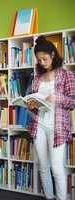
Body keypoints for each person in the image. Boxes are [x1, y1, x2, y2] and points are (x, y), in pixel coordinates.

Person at [27, 36, 75, 200]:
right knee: (43, 166)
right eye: (39, 60)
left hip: (57, 127)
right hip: (38, 125)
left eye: (45, 58)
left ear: (53, 55)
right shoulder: (37, 78)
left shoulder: (66, 75)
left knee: (56, 168)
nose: (42, 62)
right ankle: (49, 196)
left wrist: (58, 98)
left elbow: (73, 101)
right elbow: (34, 100)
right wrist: (31, 105)